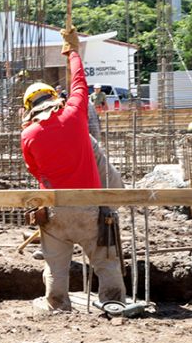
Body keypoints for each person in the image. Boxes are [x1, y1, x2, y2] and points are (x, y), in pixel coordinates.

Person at [20, 26, 126, 312]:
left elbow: (35, 171)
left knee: (56, 267)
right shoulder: (75, 114)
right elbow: (79, 82)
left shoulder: (28, 136)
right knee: (106, 262)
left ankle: (57, 304)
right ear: (55, 97)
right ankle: (114, 303)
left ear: (30, 108)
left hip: (55, 209)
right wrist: (72, 52)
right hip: (91, 208)